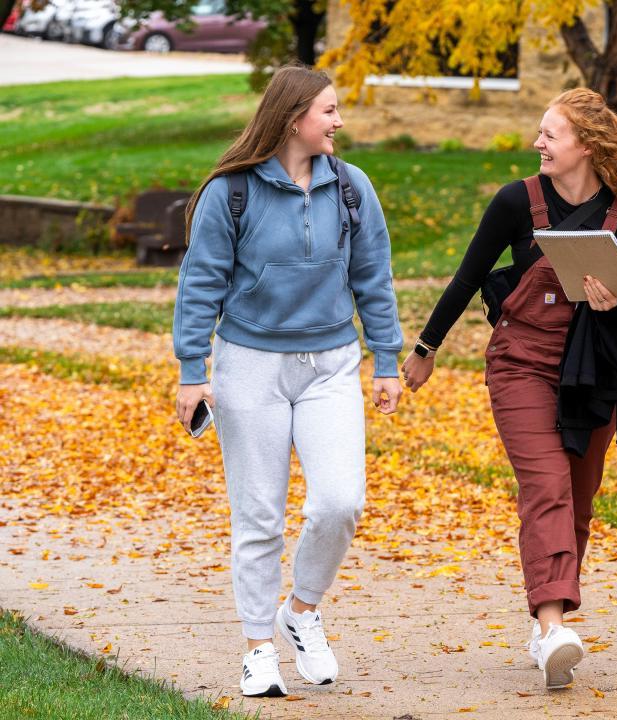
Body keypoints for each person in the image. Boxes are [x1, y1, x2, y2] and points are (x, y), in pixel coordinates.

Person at [400, 88, 617, 690]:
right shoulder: (515, 202)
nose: (538, 143)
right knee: (546, 486)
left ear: (587, 144)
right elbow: (468, 276)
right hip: (521, 364)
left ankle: (547, 622)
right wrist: (425, 348)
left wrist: (615, 301)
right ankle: (553, 626)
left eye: (550, 134)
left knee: (577, 501)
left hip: (594, 372)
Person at [172, 65, 403, 698]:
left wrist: (386, 359)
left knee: (340, 501)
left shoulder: (352, 189)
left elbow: (374, 280)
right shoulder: (232, 192)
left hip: (331, 363)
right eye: (329, 110)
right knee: (258, 515)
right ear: (293, 116)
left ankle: (301, 611)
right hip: (249, 364)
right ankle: (257, 648)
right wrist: (193, 372)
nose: (339, 121)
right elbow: (199, 286)